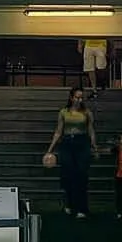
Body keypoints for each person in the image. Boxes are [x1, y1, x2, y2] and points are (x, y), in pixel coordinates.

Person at [43, 85, 98, 219]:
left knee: (81, 175)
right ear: (71, 97)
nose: (79, 100)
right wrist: (50, 150)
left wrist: (94, 147)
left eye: (81, 98)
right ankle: (69, 204)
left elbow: (91, 131)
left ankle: (82, 208)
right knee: (68, 175)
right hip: (67, 143)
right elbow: (58, 131)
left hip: (82, 143)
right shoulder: (63, 112)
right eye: (77, 97)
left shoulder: (87, 113)